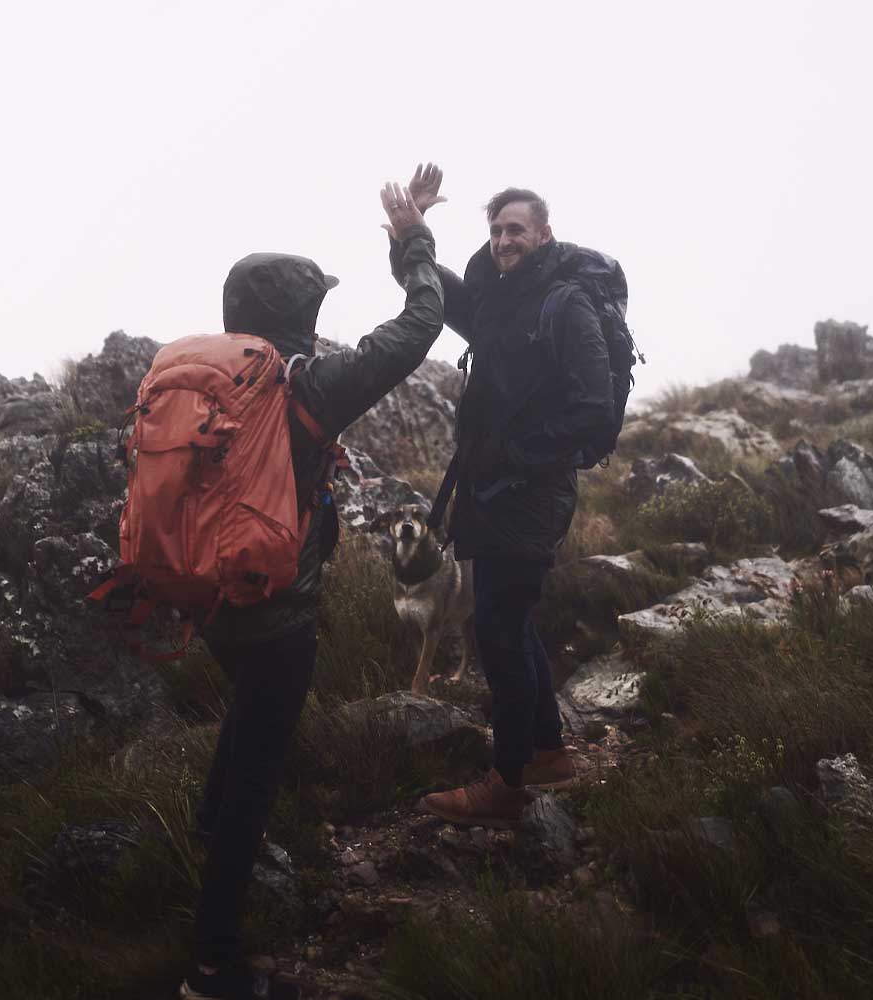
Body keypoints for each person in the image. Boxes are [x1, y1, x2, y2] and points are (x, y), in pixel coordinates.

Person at [180, 182, 443, 1000]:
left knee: (246, 714)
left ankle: (200, 826)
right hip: (279, 613)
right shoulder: (310, 386)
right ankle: (214, 966)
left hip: (208, 602)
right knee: (259, 772)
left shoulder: (196, 381)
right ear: (299, 317)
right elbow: (421, 325)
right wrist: (413, 241)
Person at [387, 164, 617, 829]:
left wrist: (517, 456)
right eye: (494, 230)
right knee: (507, 621)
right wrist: (413, 234)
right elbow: (437, 294)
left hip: (531, 494)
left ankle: (507, 781)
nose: (502, 240)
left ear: (544, 233)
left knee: (497, 628)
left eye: (515, 228)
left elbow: (595, 414)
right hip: (492, 495)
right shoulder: (502, 307)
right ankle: (546, 753)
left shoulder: (564, 304)